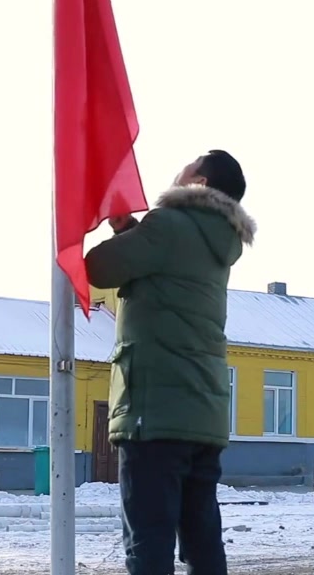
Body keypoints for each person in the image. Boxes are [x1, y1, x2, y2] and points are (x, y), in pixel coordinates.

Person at [84, 150, 255, 575]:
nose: (179, 169)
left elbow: (99, 268)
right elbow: (170, 261)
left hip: (155, 412)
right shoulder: (219, 239)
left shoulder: (169, 226)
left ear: (197, 184)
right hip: (203, 415)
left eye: (190, 164)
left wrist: (127, 235)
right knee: (201, 539)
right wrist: (133, 231)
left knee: (149, 541)